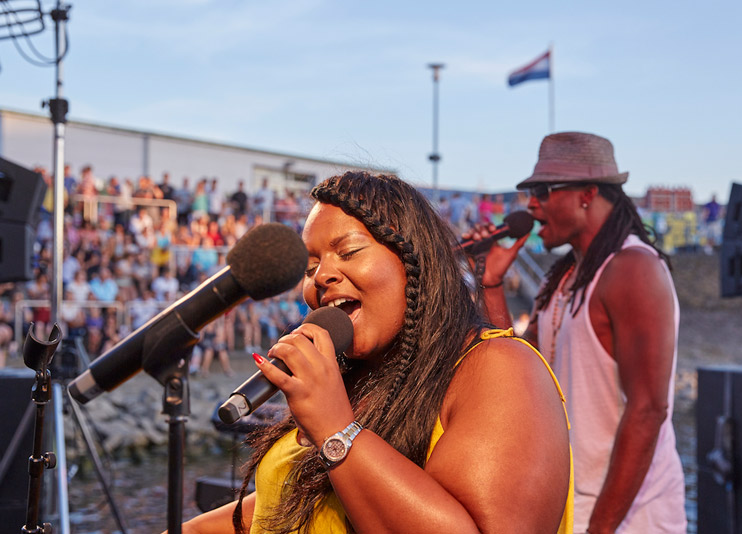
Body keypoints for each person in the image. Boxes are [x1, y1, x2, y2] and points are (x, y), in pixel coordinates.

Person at [178, 171, 573, 534]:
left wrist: (337, 433)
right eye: (310, 264)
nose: (321, 276)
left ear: (416, 262)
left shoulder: (501, 368)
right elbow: (286, 505)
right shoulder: (360, 378)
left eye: (348, 252)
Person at [470, 132, 686, 533]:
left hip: (627, 518)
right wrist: (492, 280)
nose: (531, 204)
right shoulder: (565, 276)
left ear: (588, 193)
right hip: (570, 504)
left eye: (543, 190)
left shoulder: (632, 269)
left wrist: (599, 529)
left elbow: (649, 410)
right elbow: (519, 378)